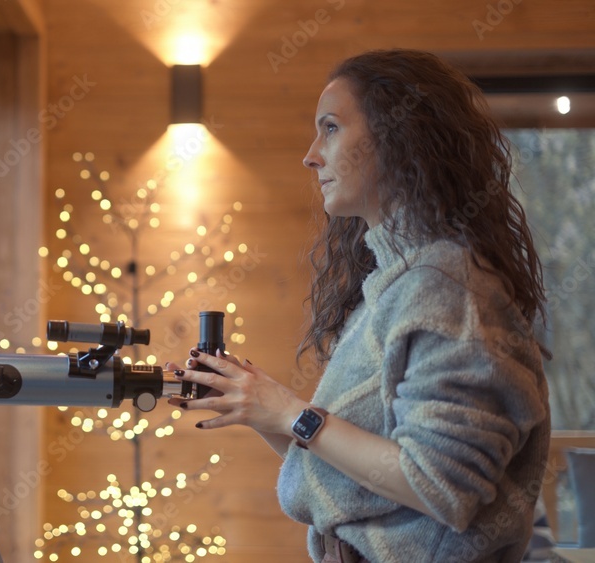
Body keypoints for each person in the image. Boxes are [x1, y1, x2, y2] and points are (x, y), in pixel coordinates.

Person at [167, 49, 551, 562]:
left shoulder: (448, 288)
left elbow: (441, 487)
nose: (311, 155)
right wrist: (257, 407)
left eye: (330, 128)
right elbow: (358, 475)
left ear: (400, 139)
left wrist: (290, 412)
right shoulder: (397, 284)